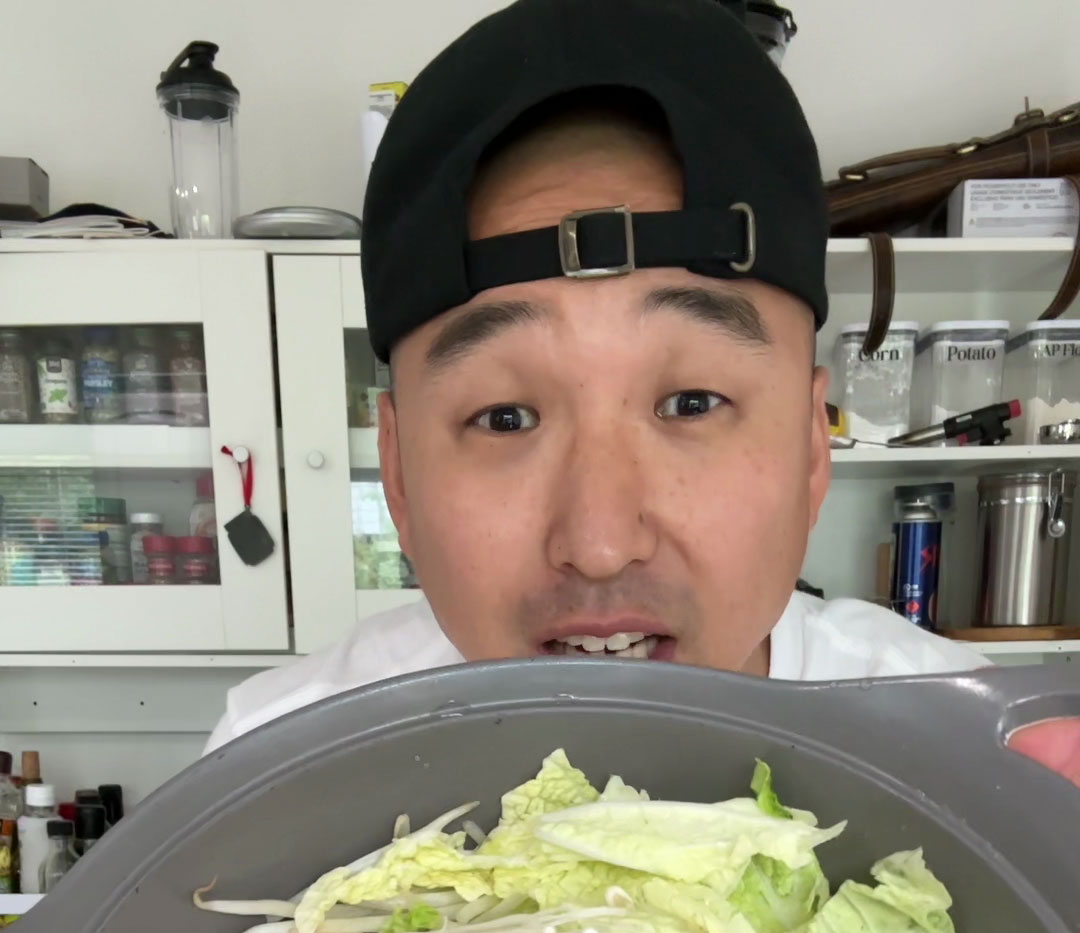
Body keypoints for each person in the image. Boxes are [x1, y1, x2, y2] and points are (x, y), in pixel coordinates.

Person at [205, 0, 1079, 787]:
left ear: (813, 448)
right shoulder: (275, 773)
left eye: (691, 403)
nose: (599, 543)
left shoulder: (965, 759)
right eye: (505, 417)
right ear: (397, 472)